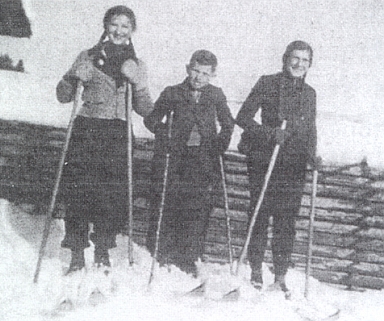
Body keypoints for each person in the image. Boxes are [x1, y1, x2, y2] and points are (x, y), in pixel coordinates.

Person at [56, 5, 153, 274]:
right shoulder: (87, 56)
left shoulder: (137, 63)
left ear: (132, 30)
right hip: (87, 129)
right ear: (106, 26)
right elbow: (63, 95)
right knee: (79, 191)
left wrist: (139, 83)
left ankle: (102, 251)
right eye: (114, 24)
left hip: (118, 133)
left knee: (111, 195)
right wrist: (73, 77)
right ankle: (76, 254)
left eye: (125, 26)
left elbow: (146, 109)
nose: (119, 30)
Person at [236, 41, 319, 292]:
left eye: (305, 60)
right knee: (260, 215)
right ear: (285, 59)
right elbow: (242, 118)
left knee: (286, 222)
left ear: (309, 65)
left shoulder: (309, 93)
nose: (299, 64)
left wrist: (312, 156)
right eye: (295, 58)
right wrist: (270, 133)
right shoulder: (267, 83)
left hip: (293, 166)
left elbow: (310, 129)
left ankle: (280, 276)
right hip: (264, 160)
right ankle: (256, 270)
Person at [144, 50, 234, 276]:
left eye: (205, 73)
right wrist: (164, 132)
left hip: (202, 160)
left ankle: (189, 257)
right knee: (169, 205)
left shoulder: (216, 95)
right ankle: (162, 255)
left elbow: (228, 124)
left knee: (196, 209)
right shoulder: (173, 92)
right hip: (174, 159)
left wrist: (219, 144)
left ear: (212, 75)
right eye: (195, 70)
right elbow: (152, 119)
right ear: (187, 69)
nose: (198, 77)